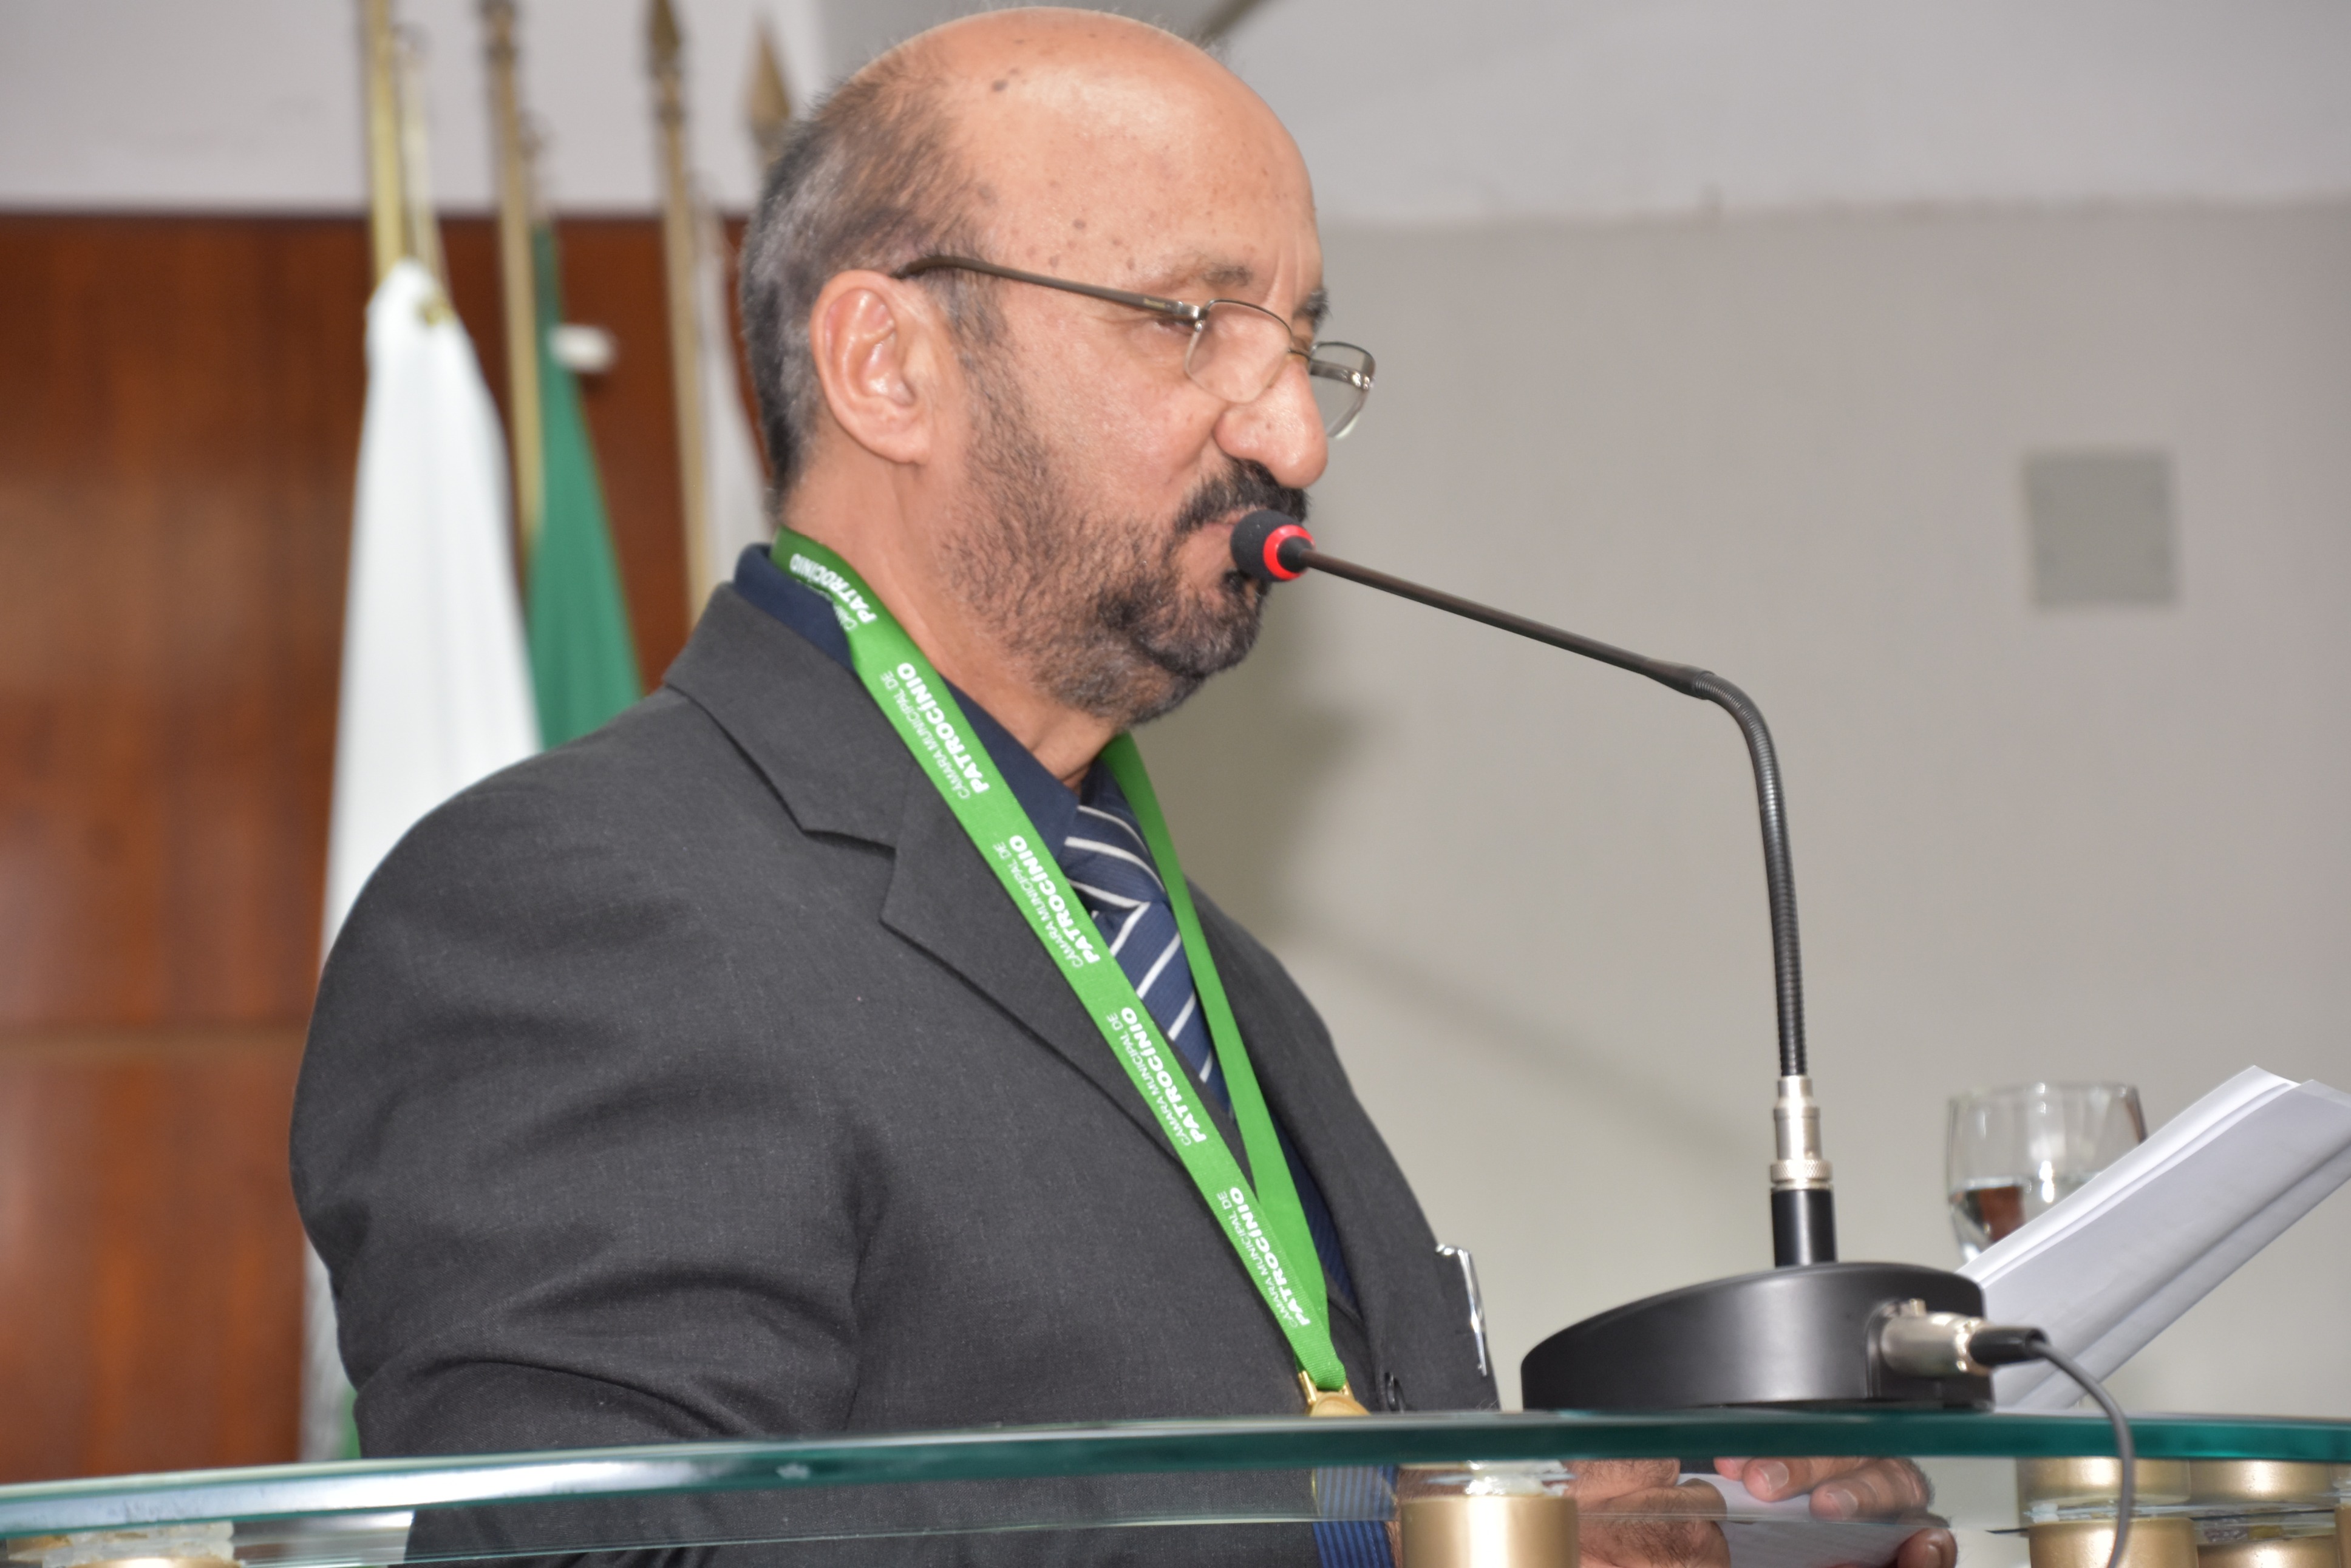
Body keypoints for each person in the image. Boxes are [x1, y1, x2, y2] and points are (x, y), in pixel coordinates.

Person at [292, 11, 1947, 1567]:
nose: (1293, 435)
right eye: (1192, 322)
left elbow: (1307, 1456)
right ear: (886, 364)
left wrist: (1638, 1520)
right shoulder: (577, 904)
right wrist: (1387, 1544)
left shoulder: (1224, 979)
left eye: (1306, 348)